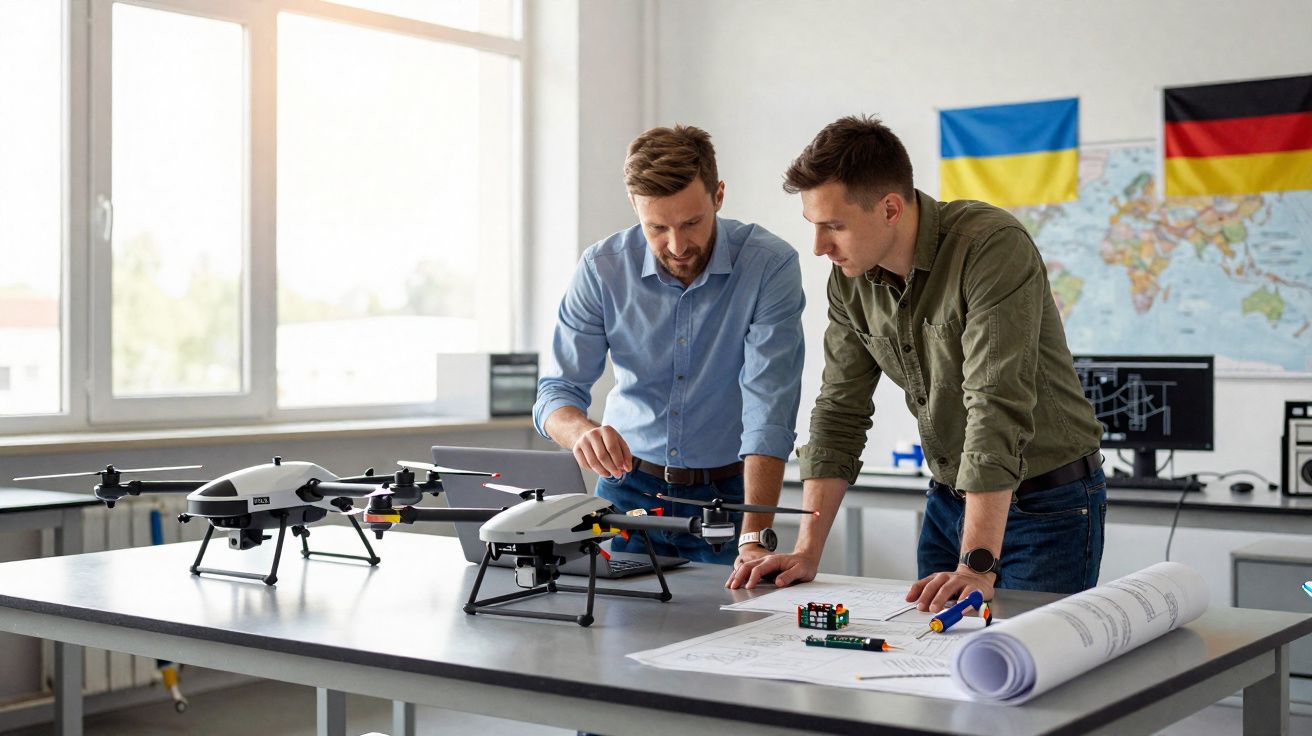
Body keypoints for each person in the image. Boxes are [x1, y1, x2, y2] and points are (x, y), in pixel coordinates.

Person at [728, 115, 1105, 611]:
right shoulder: (850, 280)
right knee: (933, 651)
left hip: (1046, 506)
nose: (819, 247)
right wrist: (806, 551)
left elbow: (995, 403)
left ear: (890, 208)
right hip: (948, 501)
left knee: (1025, 655)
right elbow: (839, 412)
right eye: (813, 226)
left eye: (834, 226)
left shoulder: (990, 246)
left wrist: (976, 565)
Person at [534, 124, 805, 567]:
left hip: (728, 495)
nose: (677, 245)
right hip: (626, 489)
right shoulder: (602, 268)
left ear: (718, 196)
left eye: (692, 223)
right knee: (613, 611)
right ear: (634, 205)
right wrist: (581, 433)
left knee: (732, 612)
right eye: (657, 227)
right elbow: (556, 394)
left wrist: (755, 535)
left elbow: (769, 409)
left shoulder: (769, 266)